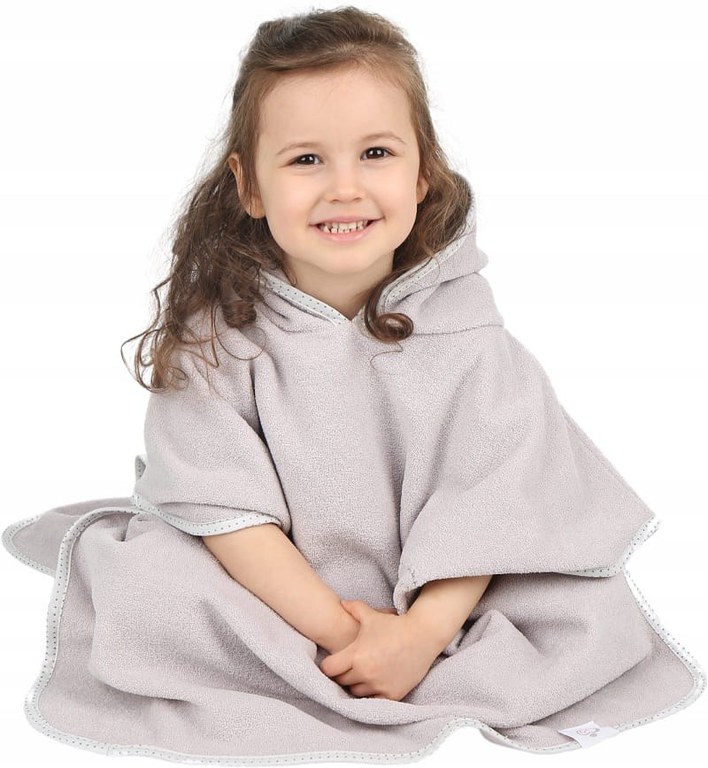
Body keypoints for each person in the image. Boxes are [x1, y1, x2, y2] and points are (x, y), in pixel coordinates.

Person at [2, 5, 704, 763]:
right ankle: (307, 665)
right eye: (306, 159)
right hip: (272, 587)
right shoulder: (220, 337)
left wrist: (418, 637)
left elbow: (492, 500)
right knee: (156, 587)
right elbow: (226, 513)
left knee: (574, 611)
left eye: (375, 153)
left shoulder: (470, 336)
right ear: (250, 185)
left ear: (422, 172)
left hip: (444, 589)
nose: (345, 187)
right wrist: (348, 636)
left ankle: (412, 652)